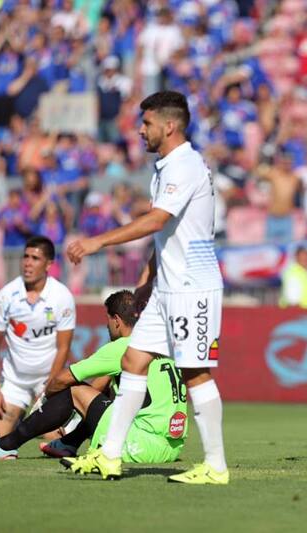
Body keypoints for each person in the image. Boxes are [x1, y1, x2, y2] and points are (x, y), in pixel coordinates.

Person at [64, 90, 227, 484]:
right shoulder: (166, 166)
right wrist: (148, 280)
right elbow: (173, 232)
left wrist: (97, 241)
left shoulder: (185, 165)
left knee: (195, 374)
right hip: (167, 289)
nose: (140, 130)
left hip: (193, 288)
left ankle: (215, 466)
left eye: (147, 123)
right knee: (133, 361)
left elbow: (156, 222)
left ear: (168, 126)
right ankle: (110, 456)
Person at [0, 290, 187, 464]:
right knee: (106, 393)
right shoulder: (160, 343)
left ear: (116, 320)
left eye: (108, 320)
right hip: (171, 447)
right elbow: (102, 392)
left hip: (142, 447)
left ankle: (6, 444)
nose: (107, 325)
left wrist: (45, 399)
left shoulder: (122, 347)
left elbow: (65, 378)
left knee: (73, 390)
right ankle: (67, 444)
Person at [0, 236, 75, 439]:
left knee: (54, 442)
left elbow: (64, 347)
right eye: (25, 257)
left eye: (35, 258)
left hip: (47, 380)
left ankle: (57, 419)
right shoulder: (6, 295)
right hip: (15, 380)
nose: (27, 263)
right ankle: (17, 412)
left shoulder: (62, 296)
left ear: (49, 264)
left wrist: (50, 387)